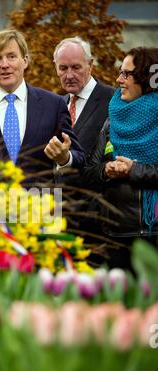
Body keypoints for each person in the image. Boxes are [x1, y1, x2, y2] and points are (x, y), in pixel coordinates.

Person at [0, 29, 85, 186]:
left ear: (25, 61)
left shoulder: (53, 105)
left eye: (11, 57)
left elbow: (79, 157)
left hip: (40, 205)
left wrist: (65, 158)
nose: (5, 65)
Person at [82, 47, 158, 270]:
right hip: (115, 235)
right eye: (120, 72)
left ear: (146, 78)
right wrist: (106, 171)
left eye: (127, 74)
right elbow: (90, 171)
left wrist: (134, 169)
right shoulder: (113, 119)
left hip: (153, 235)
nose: (118, 79)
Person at [53, 36, 114, 163]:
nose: (69, 76)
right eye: (63, 68)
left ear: (90, 65)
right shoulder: (57, 105)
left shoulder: (113, 100)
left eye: (76, 67)